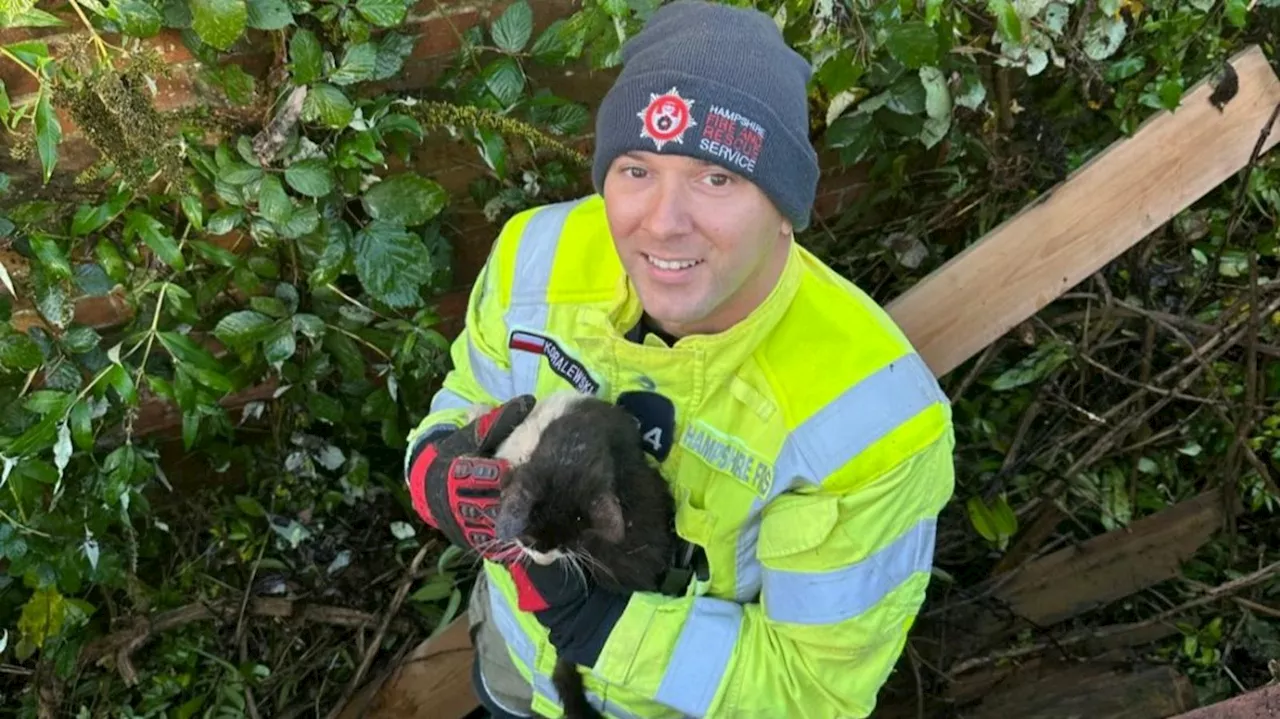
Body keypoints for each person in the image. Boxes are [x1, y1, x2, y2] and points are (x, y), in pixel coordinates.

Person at [402, 1, 956, 717]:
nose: (661, 221)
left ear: (786, 204)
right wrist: (437, 466)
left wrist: (604, 628)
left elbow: (810, 689)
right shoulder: (535, 254)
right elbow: (463, 395)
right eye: (636, 169)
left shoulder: (870, 419)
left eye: (716, 177)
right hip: (515, 668)